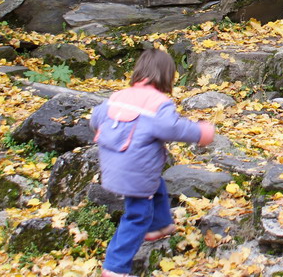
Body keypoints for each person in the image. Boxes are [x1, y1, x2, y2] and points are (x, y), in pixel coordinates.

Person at [91, 48, 215, 277]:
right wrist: (201, 132)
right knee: (137, 215)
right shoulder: (159, 104)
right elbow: (174, 128)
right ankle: (115, 267)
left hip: (111, 164)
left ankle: (160, 225)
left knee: (156, 185)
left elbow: (95, 119)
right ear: (167, 76)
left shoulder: (119, 96)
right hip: (136, 170)